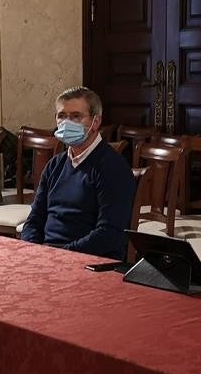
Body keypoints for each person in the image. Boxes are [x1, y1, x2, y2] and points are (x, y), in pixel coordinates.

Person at [20, 86, 136, 260]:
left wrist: (61, 255)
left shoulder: (112, 167)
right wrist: (35, 252)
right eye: (62, 116)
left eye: (76, 116)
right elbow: (34, 220)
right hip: (49, 256)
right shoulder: (54, 165)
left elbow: (110, 234)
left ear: (95, 122)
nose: (67, 123)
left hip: (90, 261)